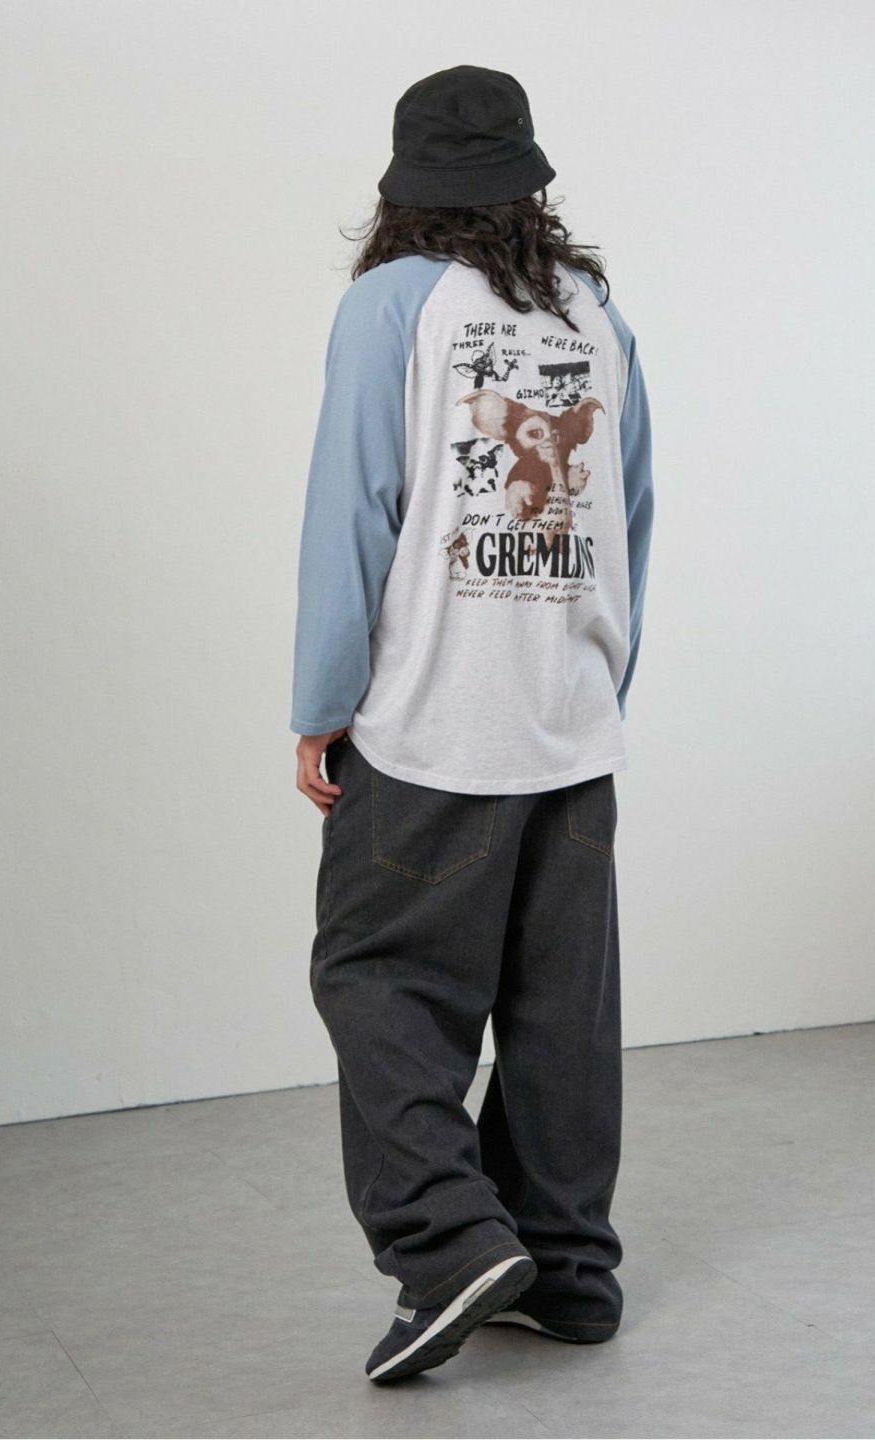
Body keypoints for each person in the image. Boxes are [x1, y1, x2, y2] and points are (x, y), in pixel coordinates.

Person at [290, 64, 655, 1383]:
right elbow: (632, 514)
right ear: (528, 185)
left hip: (430, 721)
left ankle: (449, 1246)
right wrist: (597, 689)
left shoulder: (392, 303)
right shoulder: (597, 312)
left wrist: (322, 705)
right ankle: (568, 1269)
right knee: (560, 1007)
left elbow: (355, 509)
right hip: (571, 720)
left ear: (406, 192)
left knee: (379, 975)